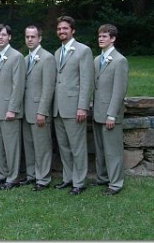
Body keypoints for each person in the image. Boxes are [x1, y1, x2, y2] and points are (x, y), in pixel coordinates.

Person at [53, 15, 94, 195]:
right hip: (58, 108)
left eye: (65, 29)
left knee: (77, 146)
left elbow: (86, 81)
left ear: (73, 30)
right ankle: (67, 178)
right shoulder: (57, 52)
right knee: (64, 146)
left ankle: (79, 181)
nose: (62, 31)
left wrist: (82, 106)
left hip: (74, 107)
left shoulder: (83, 51)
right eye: (59, 29)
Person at [0, 24, 26, 190]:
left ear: (9, 37)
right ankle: (2, 174)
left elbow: (18, 85)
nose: (0, 37)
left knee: (11, 146)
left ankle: (13, 177)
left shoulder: (16, 56)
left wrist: (13, 108)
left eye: (3, 35)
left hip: (9, 110)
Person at [92, 24, 128, 196]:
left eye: (104, 36)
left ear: (113, 39)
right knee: (100, 149)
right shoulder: (97, 60)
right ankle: (102, 178)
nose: (100, 38)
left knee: (113, 151)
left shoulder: (120, 61)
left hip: (110, 114)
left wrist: (112, 114)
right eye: (99, 36)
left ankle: (116, 183)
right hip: (97, 112)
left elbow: (119, 91)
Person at [22, 25, 56, 191]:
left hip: (38, 111)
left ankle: (43, 179)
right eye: (27, 37)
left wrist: (42, 111)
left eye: (33, 37)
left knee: (42, 146)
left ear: (39, 38)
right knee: (29, 146)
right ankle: (31, 175)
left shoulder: (47, 58)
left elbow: (48, 88)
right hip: (26, 110)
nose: (30, 39)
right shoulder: (26, 59)